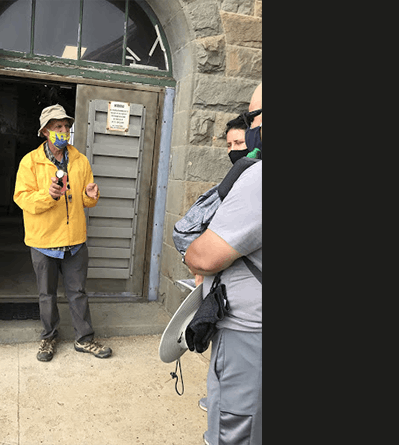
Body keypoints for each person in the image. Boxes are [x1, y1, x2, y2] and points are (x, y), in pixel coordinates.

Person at [184, 83, 262, 444]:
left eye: (253, 118)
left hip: (250, 336)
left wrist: (194, 252)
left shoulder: (257, 179)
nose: (249, 130)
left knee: (235, 431)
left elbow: (203, 255)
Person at [13, 104, 113, 362]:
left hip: (74, 241)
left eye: (66, 126)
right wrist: (48, 196)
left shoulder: (79, 160)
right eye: (58, 127)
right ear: (45, 131)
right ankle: (48, 338)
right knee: (46, 295)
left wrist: (91, 197)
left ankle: (84, 339)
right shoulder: (30, 162)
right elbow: (22, 198)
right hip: (43, 241)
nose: (64, 131)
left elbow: (85, 198)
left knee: (78, 292)